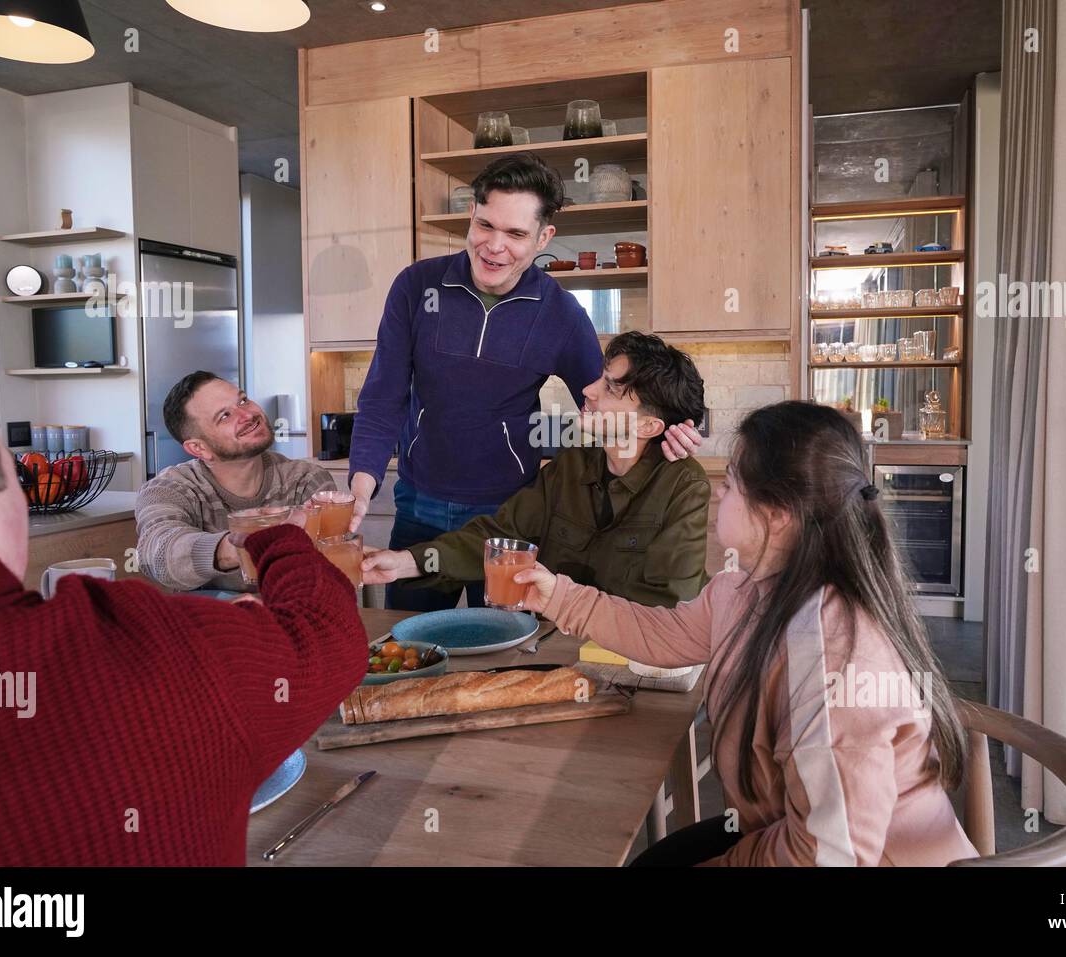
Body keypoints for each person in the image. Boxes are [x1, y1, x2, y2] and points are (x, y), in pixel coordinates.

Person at [0, 360, 368, 865]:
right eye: (12, 480)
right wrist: (275, 540)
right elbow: (165, 553)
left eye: (242, 400)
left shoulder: (304, 476)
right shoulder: (157, 646)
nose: (245, 415)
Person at [512, 401, 978, 866]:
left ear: (777, 515)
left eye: (732, 482)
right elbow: (662, 634)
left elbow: (828, 855)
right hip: (781, 827)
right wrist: (558, 596)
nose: (717, 492)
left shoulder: (834, 652)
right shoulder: (742, 591)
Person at [347, 151, 701, 611]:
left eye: (515, 234)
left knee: (501, 648)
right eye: (485, 226)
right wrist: (361, 484)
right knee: (408, 643)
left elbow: (605, 405)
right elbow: (383, 397)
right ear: (471, 214)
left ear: (543, 237)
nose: (494, 246)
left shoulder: (560, 315)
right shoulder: (417, 288)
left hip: (509, 516)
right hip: (418, 502)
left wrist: (676, 426)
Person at [360, 332, 710, 608]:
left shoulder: (683, 486)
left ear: (649, 427)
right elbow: (498, 536)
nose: (587, 390)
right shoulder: (572, 464)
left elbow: (670, 608)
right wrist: (405, 562)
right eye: (600, 378)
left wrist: (563, 601)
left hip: (624, 666)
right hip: (549, 651)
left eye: (610, 387)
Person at [136, 371, 336, 591]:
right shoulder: (169, 488)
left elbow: (334, 570)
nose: (247, 415)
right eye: (225, 416)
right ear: (199, 448)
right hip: (209, 623)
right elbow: (158, 553)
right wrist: (240, 546)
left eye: (243, 400)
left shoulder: (306, 480)